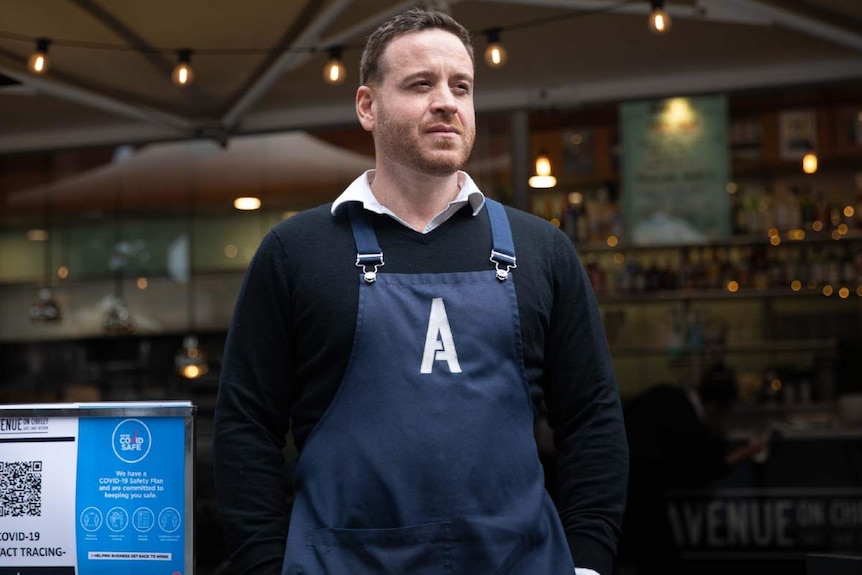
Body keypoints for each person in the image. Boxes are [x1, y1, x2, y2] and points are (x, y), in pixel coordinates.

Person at [213, 7, 628, 575]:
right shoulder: (296, 252)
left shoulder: (541, 251)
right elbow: (245, 426)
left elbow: (592, 419)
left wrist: (587, 562)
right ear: (367, 106)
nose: (447, 101)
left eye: (462, 86)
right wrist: (263, 564)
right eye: (420, 84)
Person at [616, 363, 766, 575]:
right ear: (714, 407)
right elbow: (704, 471)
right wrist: (745, 451)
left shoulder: (666, 394)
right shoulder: (687, 425)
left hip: (618, 481)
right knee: (660, 560)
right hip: (640, 491)